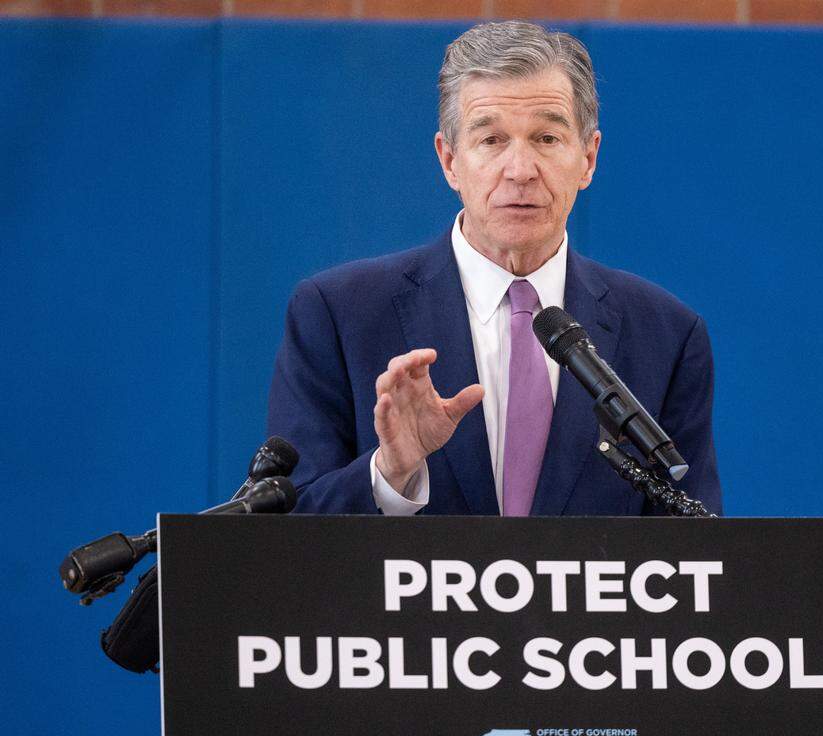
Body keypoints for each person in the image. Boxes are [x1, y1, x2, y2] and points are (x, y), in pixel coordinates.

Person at [267, 21, 721, 517]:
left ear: (588, 158)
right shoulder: (340, 315)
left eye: (547, 138)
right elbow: (289, 533)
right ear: (449, 161)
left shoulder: (666, 335)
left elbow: (695, 554)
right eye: (491, 140)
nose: (520, 169)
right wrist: (390, 474)